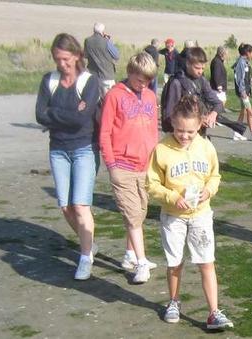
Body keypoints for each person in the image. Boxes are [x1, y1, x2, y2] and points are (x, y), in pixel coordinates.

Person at [147, 95, 234, 330]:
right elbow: (152, 184)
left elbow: (215, 175)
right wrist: (173, 197)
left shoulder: (206, 147)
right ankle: (174, 301)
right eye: (179, 130)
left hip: (201, 215)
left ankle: (214, 312)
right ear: (172, 124)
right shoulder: (161, 149)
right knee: (175, 262)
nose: (184, 136)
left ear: (200, 126)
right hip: (173, 216)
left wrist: (209, 190)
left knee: (207, 262)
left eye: (190, 132)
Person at [34, 33, 102, 281]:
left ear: (76, 56)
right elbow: (40, 115)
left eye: (65, 59)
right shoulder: (49, 81)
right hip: (58, 149)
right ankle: (90, 243)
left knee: (81, 205)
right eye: (56, 59)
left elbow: (83, 119)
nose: (61, 64)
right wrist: (70, 112)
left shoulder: (89, 81)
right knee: (65, 206)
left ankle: (85, 257)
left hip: (84, 147)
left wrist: (56, 113)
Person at [99, 52, 160, 284]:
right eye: (140, 79)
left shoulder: (150, 97)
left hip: (145, 166)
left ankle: (130, 254)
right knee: (133, 215)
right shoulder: (114, 96)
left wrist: (155, 161)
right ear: (130, 73)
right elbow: (104, 133)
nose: (143, 84)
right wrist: (112, 165)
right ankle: (142, 263)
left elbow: (154, 129)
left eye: (147, 80)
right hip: (122, 165)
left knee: (140, 212)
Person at [161, 47, 245, 139]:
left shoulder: (201, 81)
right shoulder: (176, 83)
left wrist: (213, 115)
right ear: (188, 64)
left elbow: (218, 103)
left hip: (198, 136)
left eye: (203, 68)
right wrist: (198, 121)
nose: (200, 71)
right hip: (180, 137)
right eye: (197, 68)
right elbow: (169, 116)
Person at [84, 23, 120, 94]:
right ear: (103, 32)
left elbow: (85, 55)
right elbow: (116, 56)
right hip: (107, 76)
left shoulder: (87, 41)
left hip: (92, 75)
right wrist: (109, 41)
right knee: (109, 100)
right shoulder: (106, 42)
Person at [232, 43, 252, 141]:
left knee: (243, 112)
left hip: (246, 90)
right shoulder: (241, 63)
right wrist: (243, 92)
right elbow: (239, 79)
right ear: (247, 53)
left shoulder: (245, 62)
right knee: (250, 111)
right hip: (242, 92)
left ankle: (236, 132)